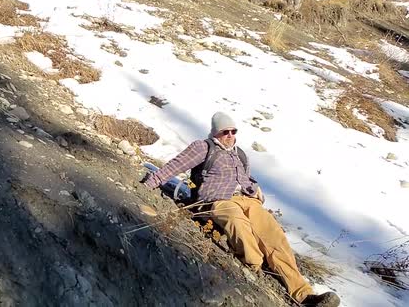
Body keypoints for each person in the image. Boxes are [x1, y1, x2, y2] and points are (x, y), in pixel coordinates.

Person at [142, 112, 340, 307]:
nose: (229, 135)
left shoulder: (240, 154)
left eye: (233, 131)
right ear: (214, 132)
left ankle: (304, 295)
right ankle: (254, 267)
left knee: (274, 235)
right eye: (224, 132)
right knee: (238, 223)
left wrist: (255, 188)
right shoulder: (203, 147)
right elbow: (177, 165)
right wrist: (150, 183)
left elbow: (246, 178)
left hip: (248, 200)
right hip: (218, 200)